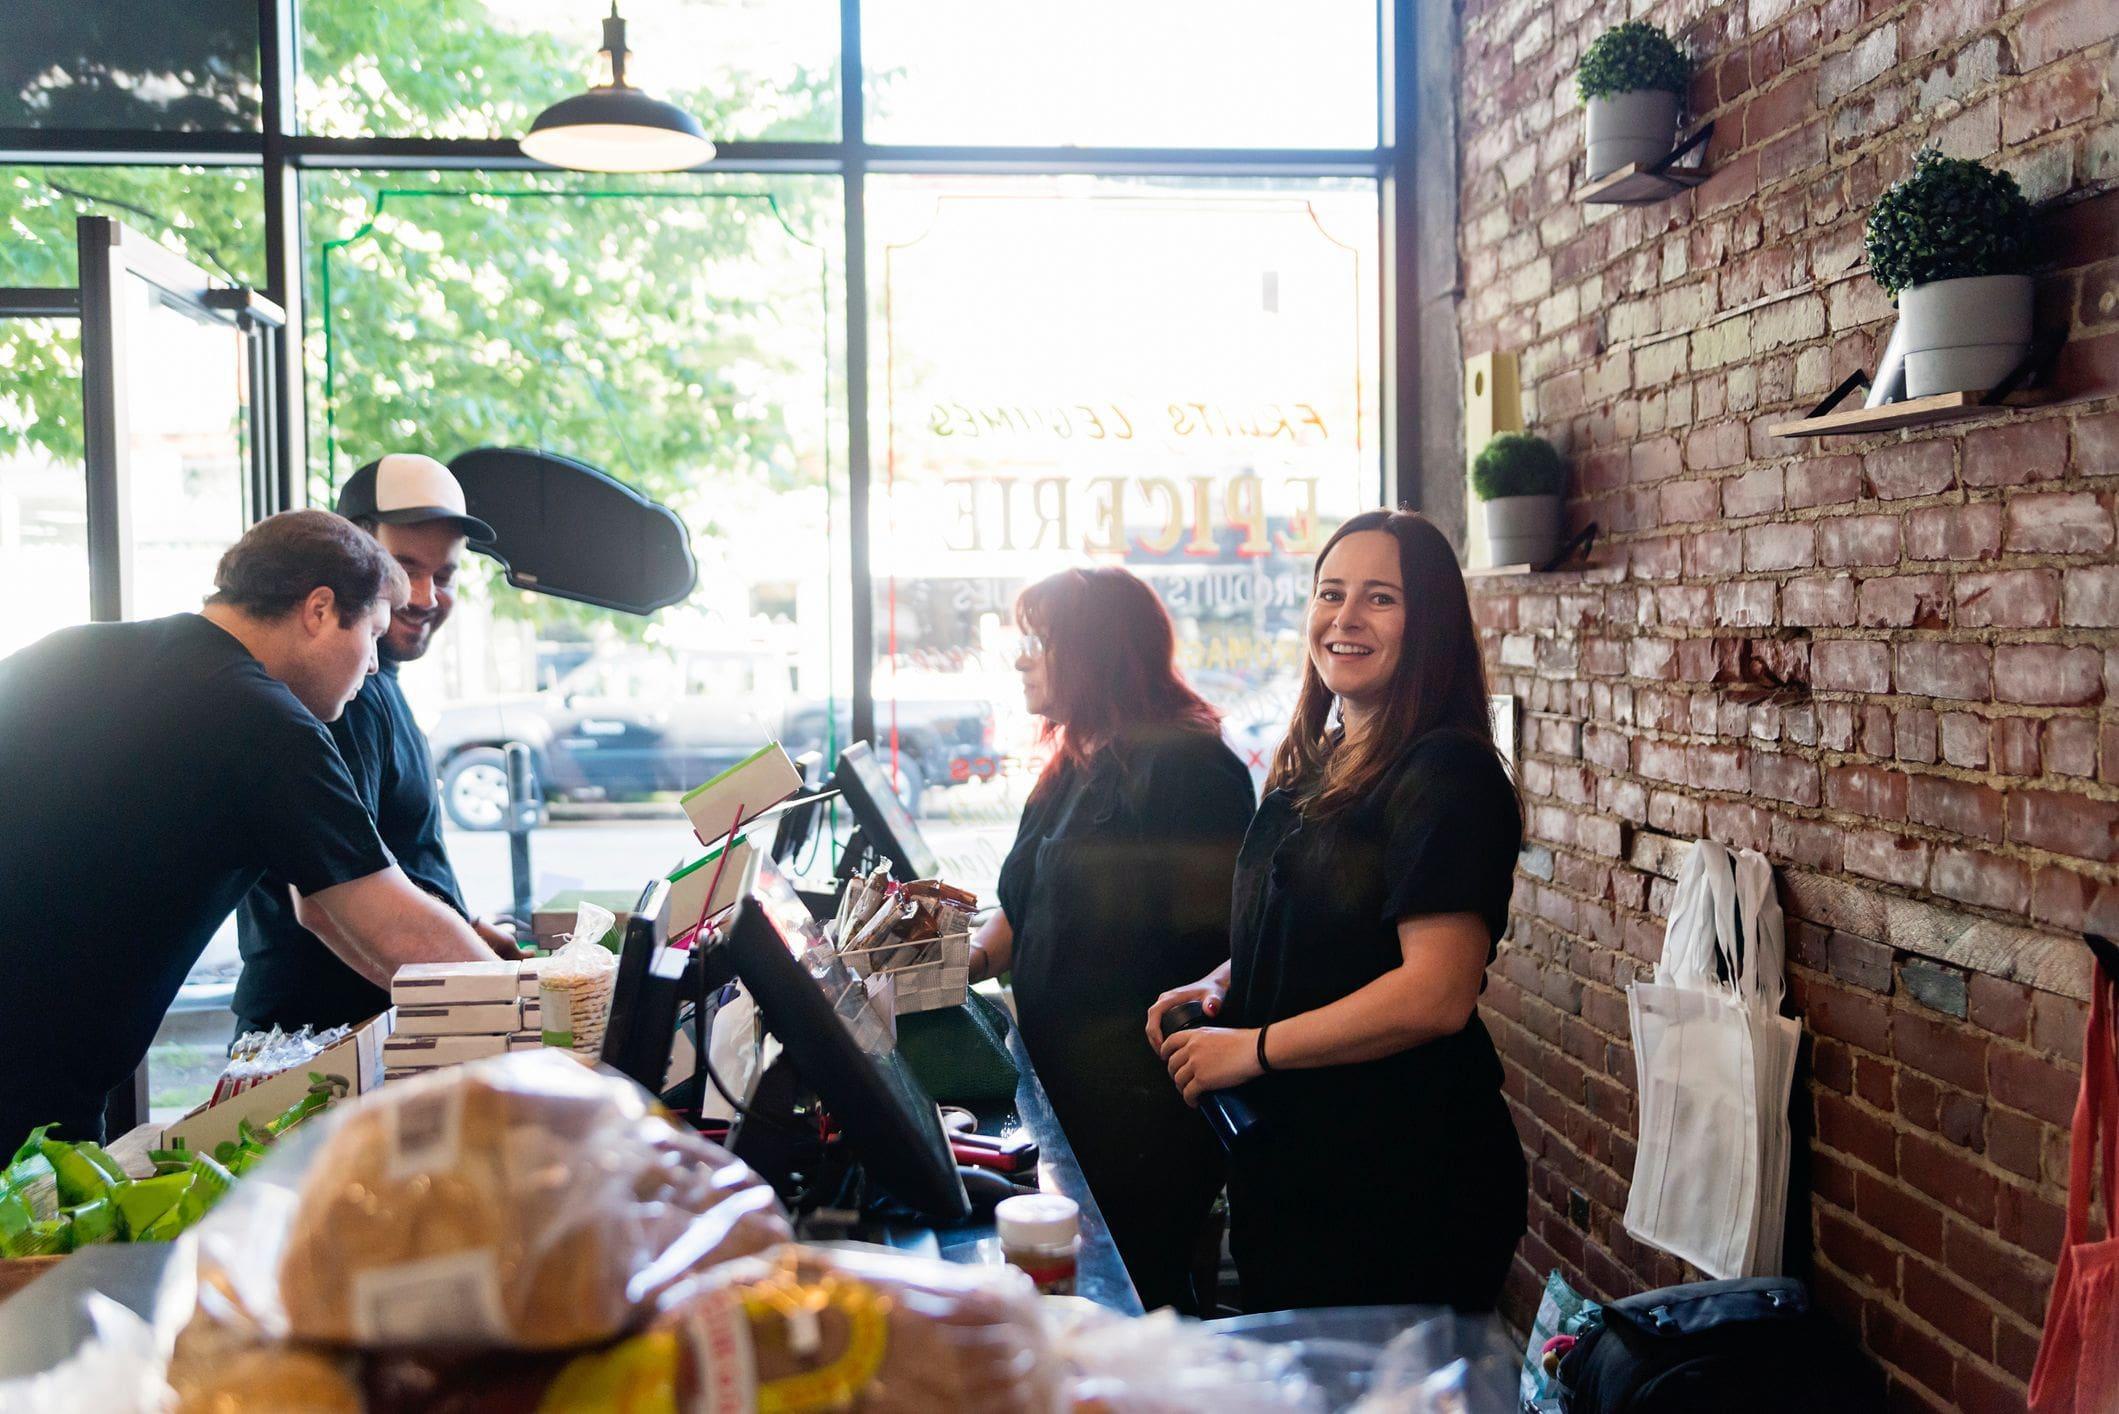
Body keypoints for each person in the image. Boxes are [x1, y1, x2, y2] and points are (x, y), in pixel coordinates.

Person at [0, 510, 502, 1154]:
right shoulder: (264, 720)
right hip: (28, 1091)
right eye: (372, 635)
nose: (374, 666)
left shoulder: (73, 649)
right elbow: (389, 921)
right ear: (319, 610)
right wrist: (534, 1024)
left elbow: (334, 912)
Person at [1149, 509, 1527, 1312]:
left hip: (1400, 1184)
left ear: (1427, 624)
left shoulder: (1446, 774)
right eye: (1330, 593)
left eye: (1380, 599)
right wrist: (1224, 982)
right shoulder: (1318, 763)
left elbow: (1435, 992)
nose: (1344, 619)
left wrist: (1250, 1047)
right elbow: (1316, 918)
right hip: (1297, 1171)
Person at [967, 567, 1255, 1314]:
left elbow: (1231, 943)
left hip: (1142, 1113)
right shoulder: (1072, 759)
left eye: (1039, 641)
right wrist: (949, 965)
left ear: (1094, 650)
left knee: (1127, 1312)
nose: (1022, 659)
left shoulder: (1187, 768)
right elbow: (1022, 904)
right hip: (1069, 1094)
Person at [235, 453, 515, 1037]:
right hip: (323, 1040)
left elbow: (390, 859)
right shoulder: (342, 691)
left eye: (445, 575)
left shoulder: (378, 683)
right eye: (403, 566)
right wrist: (510, 1015)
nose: (423, 595)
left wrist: (461, 930)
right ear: (353, 555)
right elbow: (327, 899)